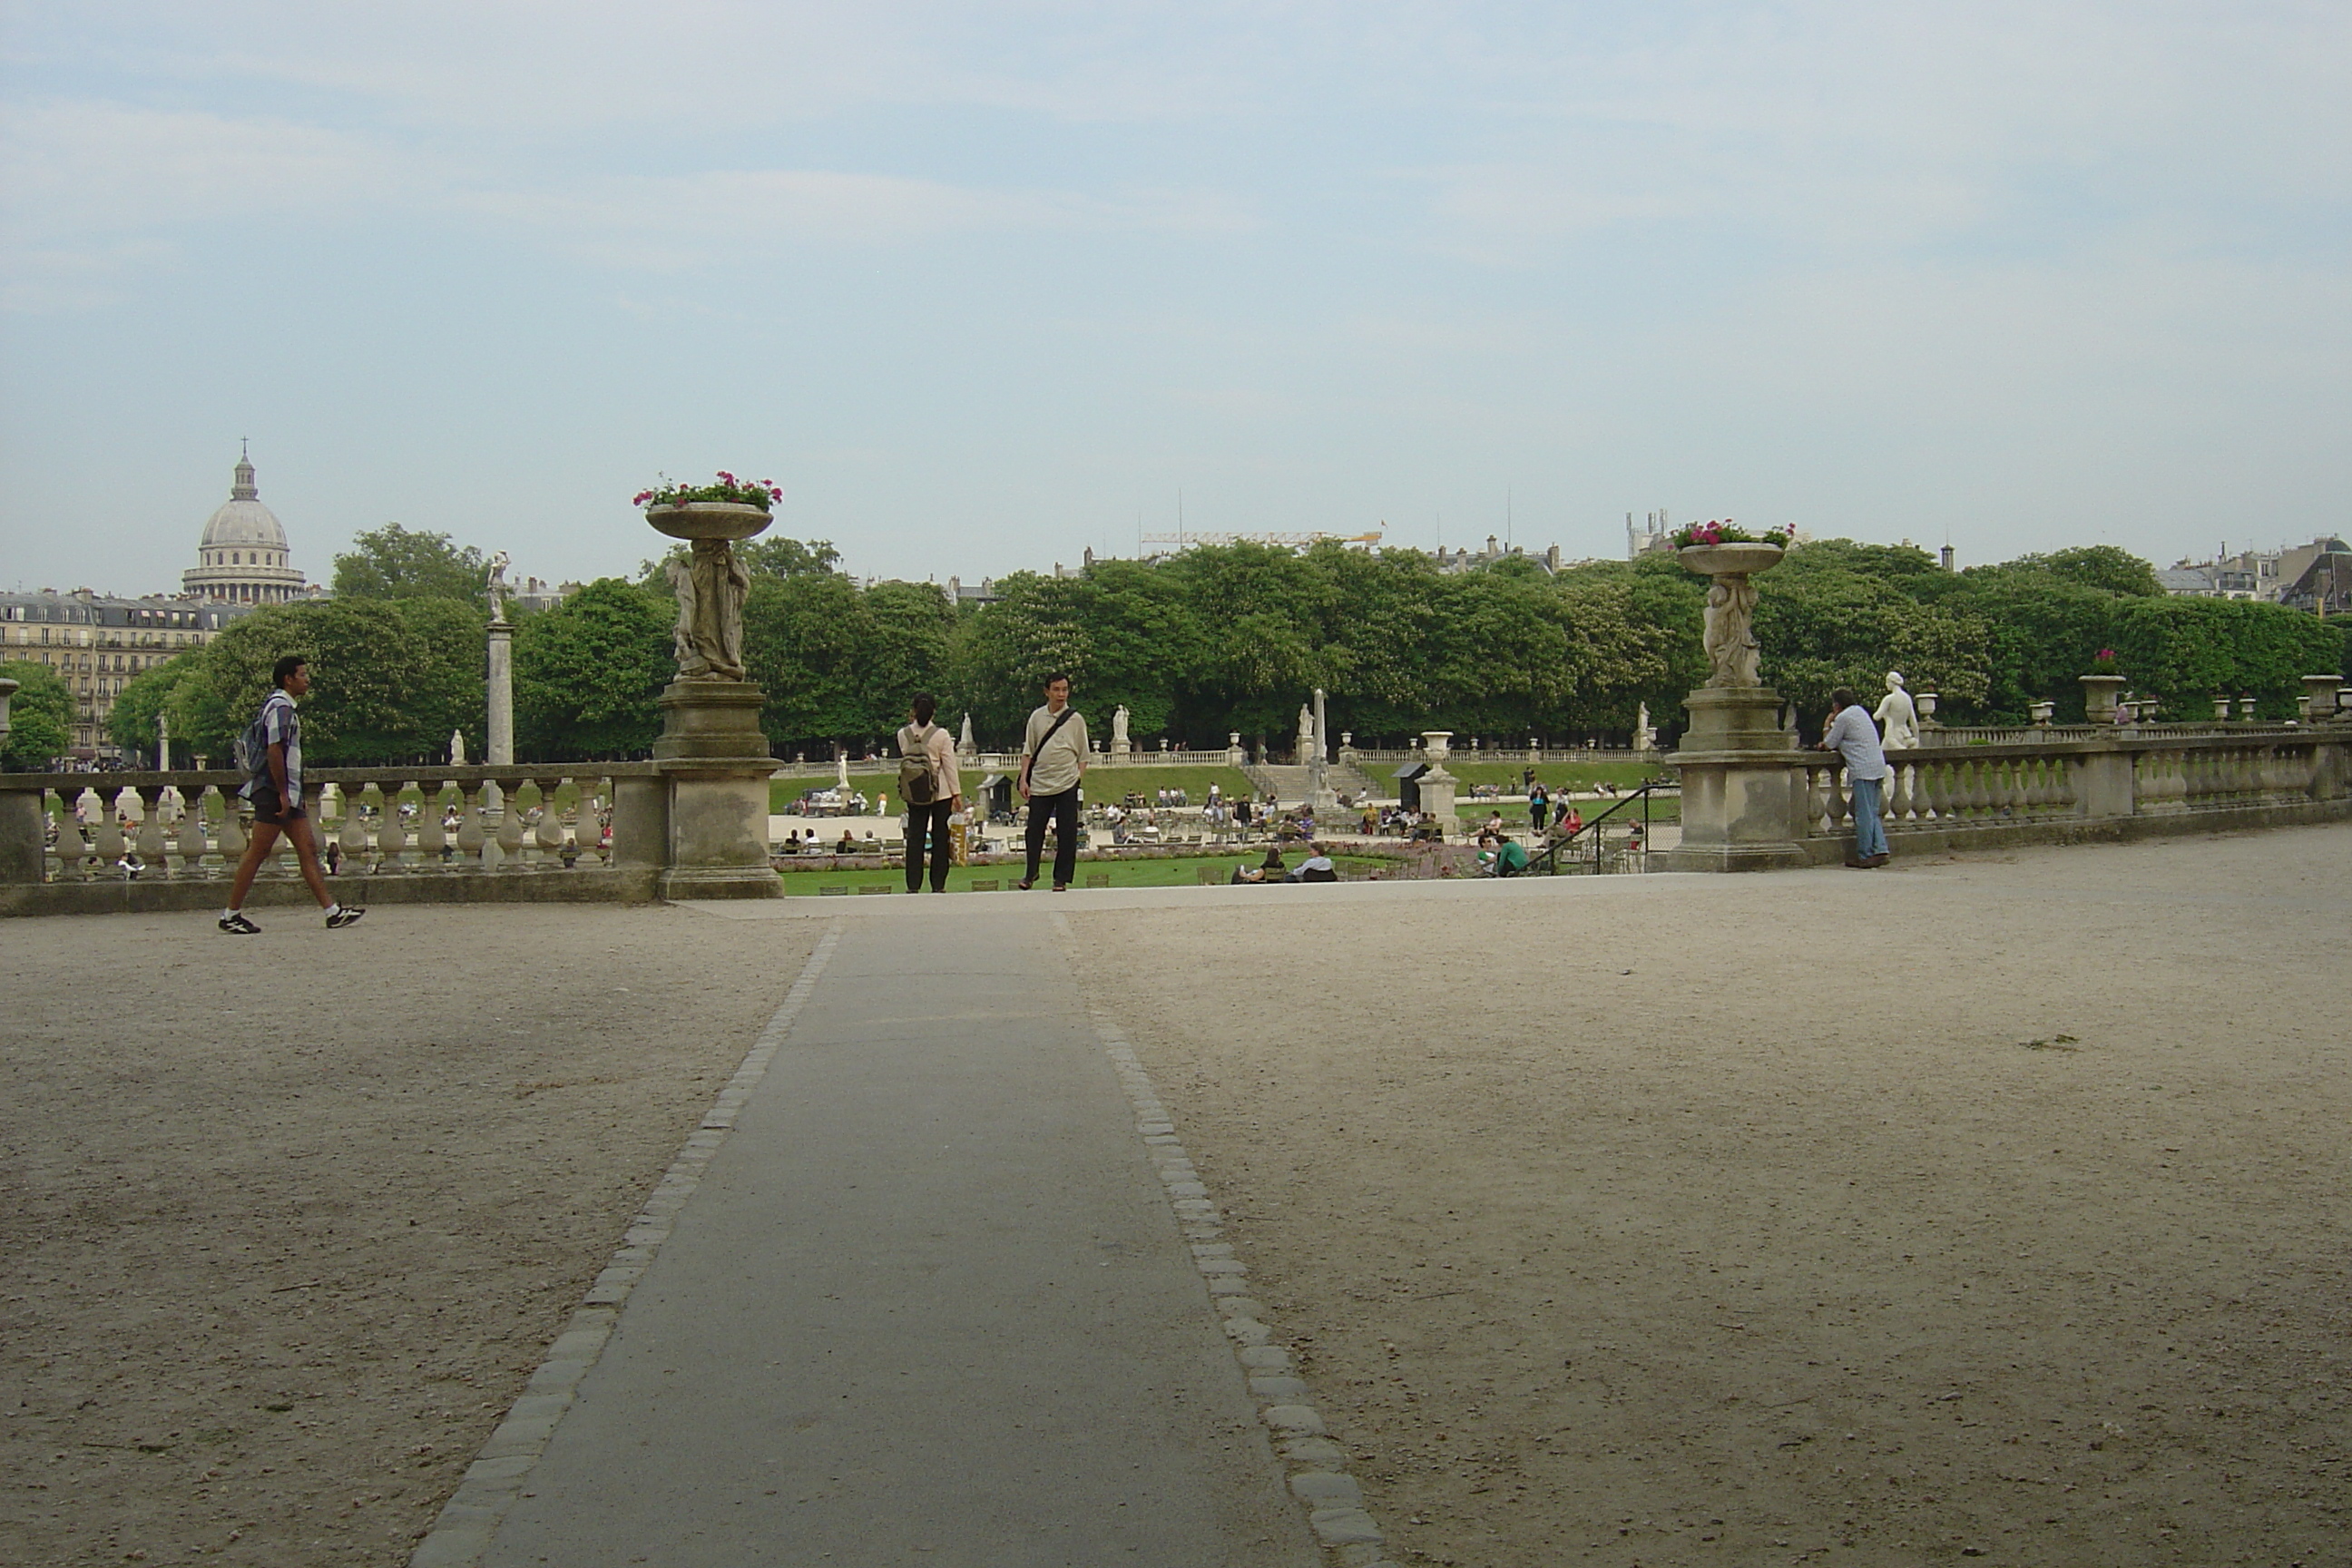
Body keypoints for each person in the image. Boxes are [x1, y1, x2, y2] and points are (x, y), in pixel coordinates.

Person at [219, 656, 364, 933]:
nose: (307, 679)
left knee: (306, 850)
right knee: (257, 853)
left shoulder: (279, 706)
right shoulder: (281, 708)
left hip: (282, 790)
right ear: (289, 678)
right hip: (275, 791)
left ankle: (332, 912)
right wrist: (284, 793)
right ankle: (230, 915)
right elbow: (275, 750)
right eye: (302, 674)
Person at [1015, 672, 1088, 891]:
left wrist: (1077, 778)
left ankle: (1061, 878)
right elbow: (1028, 750)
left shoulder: (1075, 719)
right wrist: (1023, 779)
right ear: (1046, 692)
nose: (1061, 694)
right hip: (1040, 782)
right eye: (1056, 689)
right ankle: (1031, 873)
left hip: (1066, 782)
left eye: (1064, 689)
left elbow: (1083, 755)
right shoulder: (1037, 718)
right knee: (1034, 830)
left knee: (1067, 832)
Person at [1816, 685, 1891, 867]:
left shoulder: (1843, 718)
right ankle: (1880, 849)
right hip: (1877, 766)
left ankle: (1865, 854)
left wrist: (1827, 724)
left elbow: (1829, 743)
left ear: (1836, 705)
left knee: (1863, 814)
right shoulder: (1860, 712)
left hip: (1863, 769)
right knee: (1872, 812)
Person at [897, 692, 963, 893]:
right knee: (940, 837)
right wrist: (956, 793)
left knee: (915, 838)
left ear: (913, 711)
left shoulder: (903, 734)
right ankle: (938, 884)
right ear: (934, 711)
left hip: (915, 790)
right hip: (940, 791)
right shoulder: (941, 735)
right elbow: (949, 765)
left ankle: (913, 884)